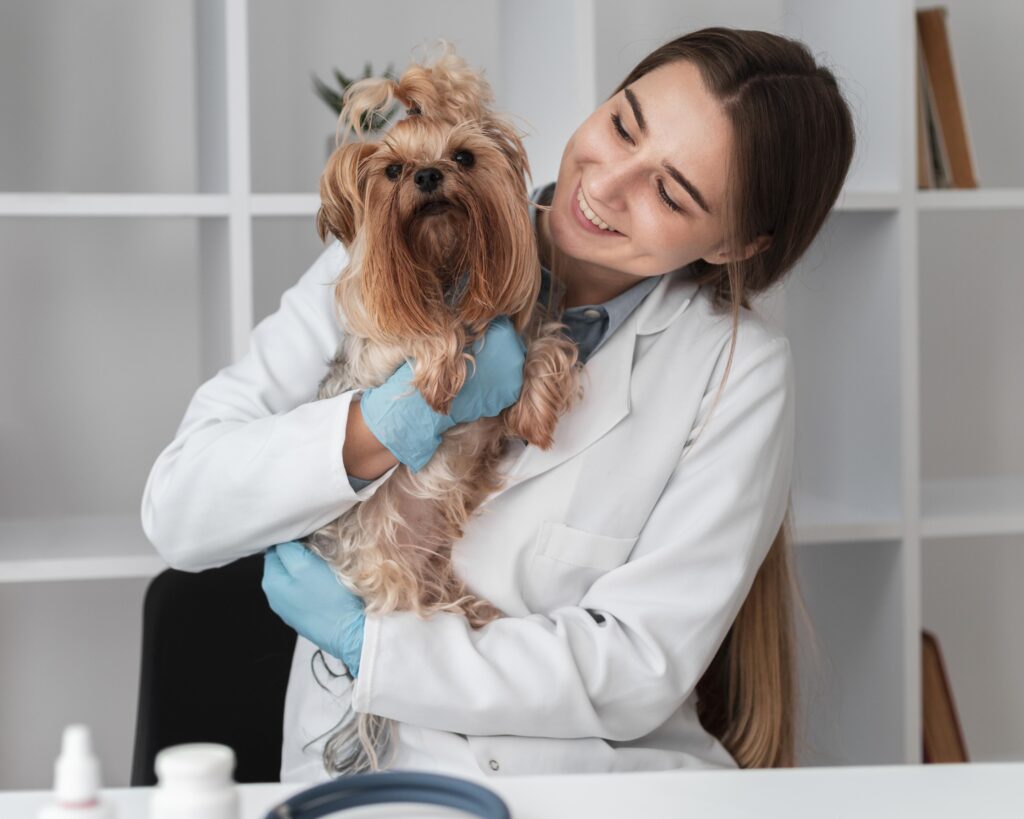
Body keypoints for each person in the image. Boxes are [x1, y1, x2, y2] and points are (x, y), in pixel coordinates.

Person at [141, 26, 855, 781]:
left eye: (669, 191)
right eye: (621, 126)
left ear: (736, 246)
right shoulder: (382, 254)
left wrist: (372, 645)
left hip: (585, 781)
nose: (608, 185)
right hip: (371, 770)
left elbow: (637, 664)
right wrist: (390, 423)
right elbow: (179, 507)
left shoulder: (736, 369)